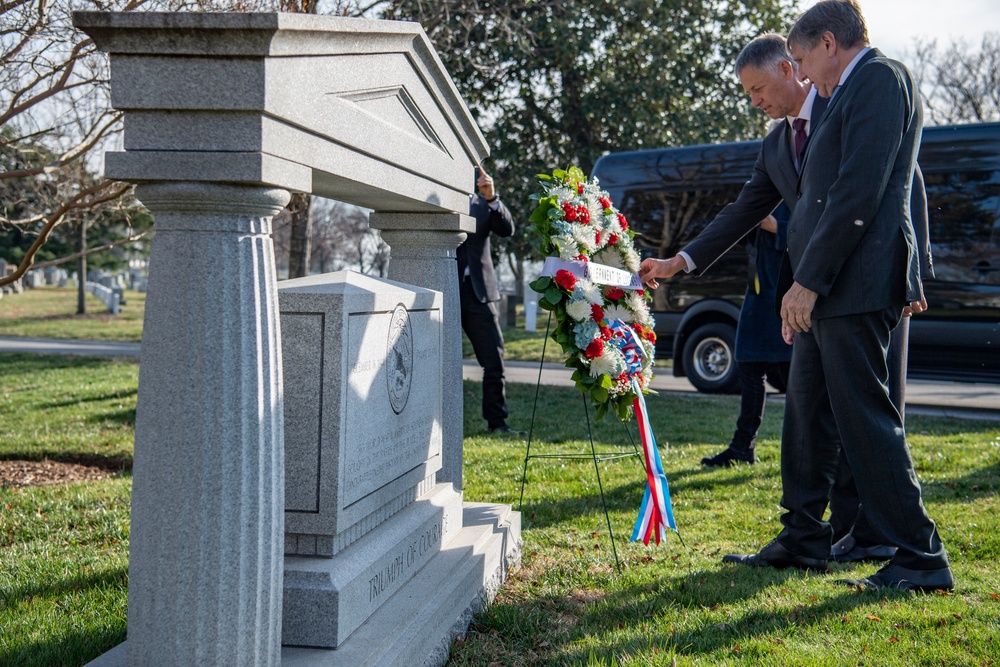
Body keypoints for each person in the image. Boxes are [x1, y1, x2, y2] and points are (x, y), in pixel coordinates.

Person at [722, 0, 952, 591]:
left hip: (856, 282)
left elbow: (857, 193)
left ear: (828, 43)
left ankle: (920, 557)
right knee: (806, 417)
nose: (801, 74)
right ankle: (803, 536)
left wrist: (808, 281)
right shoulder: (839, 97)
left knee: (866, 419)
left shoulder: (879, 79)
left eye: (799, 58)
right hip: (833, 289)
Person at [458, 164, 517, 433]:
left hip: (478, 293)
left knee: (494, 359)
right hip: (442, 289)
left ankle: (497, 423)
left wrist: (492, 197)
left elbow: (507, 229)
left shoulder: (482, 204)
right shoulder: (434, 199)